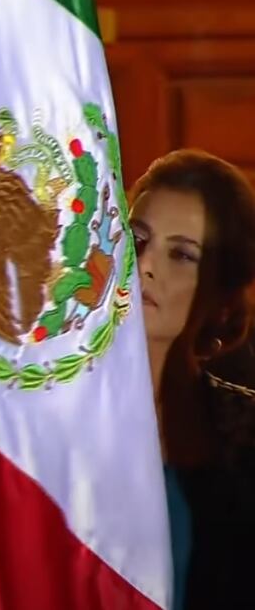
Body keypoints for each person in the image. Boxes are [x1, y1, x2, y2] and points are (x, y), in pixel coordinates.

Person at [129, 149, 255, 610]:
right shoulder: (37, 416)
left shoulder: (244, 433)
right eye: (136, 237)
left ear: (222, 299)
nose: (145, 264)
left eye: (182, 254)